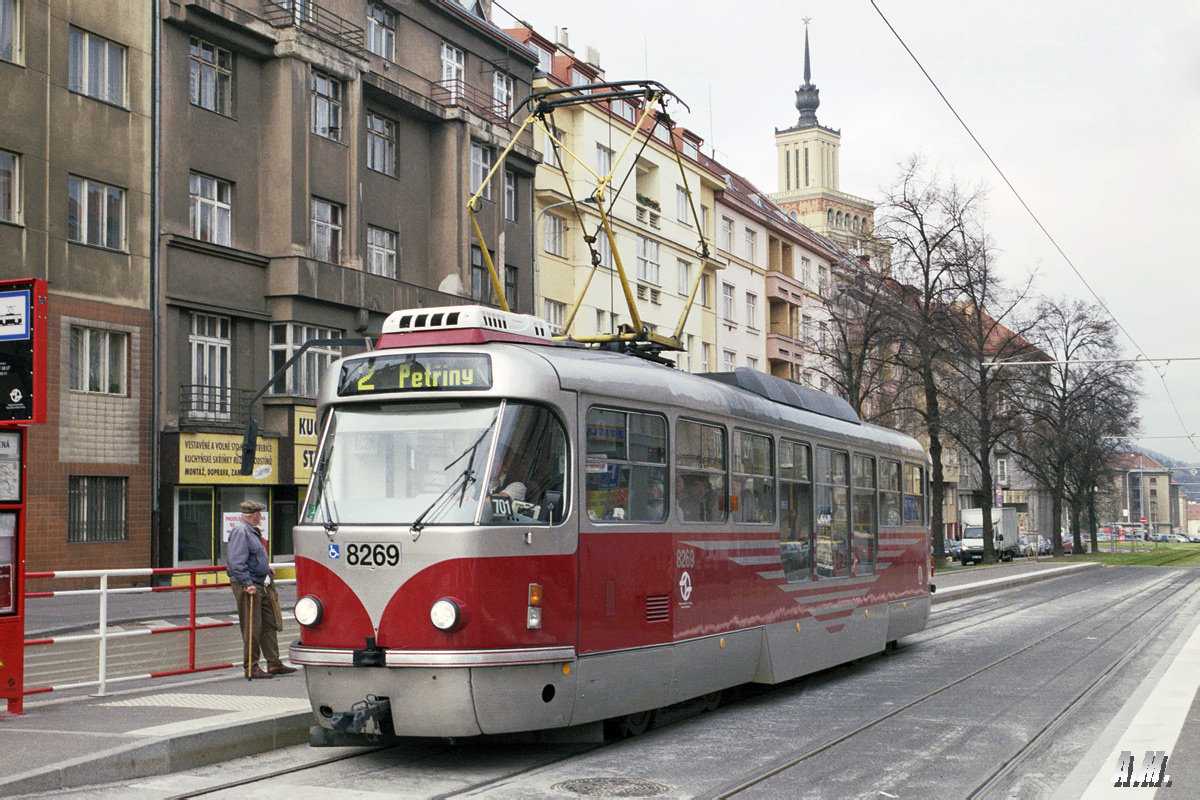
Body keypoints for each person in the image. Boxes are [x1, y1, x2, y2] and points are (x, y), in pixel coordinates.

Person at [226, 500, 295, 679]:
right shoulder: (241, 531)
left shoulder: (249, 530)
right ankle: (251, 667)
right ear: (254, 514)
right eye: (260, 514)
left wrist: (265, 567)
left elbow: (251, 557)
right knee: (252, 626)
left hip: (258, 582)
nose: (261, 518)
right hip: (249, 584)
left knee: (268, 623)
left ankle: (273, 662)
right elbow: (236, 562)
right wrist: (247, 583)